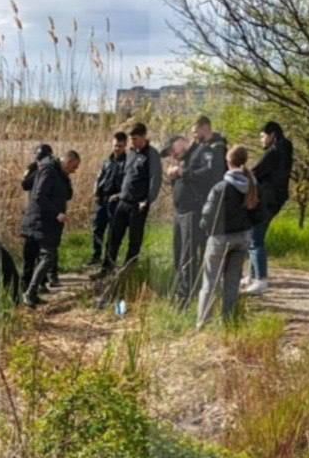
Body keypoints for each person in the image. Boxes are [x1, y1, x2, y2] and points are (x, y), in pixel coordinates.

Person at [196, 145, 265, 329]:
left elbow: (207, 216)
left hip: (220, 239)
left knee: (209, 283)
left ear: (228, 162)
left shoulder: (220, 187)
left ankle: (203, 324)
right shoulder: (252, 185)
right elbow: (259, 215)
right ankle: (228, 323)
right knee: (232, 284)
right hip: (242, 239)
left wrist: (205, 229)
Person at [164, 116, 228, 306]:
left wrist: (183, 172)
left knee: (188, 255)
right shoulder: (192, 152)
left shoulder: (211, 149)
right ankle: (181, 289)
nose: (193, 136)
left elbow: (210, 175)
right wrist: (175, 173)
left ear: (204, 128)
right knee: (179, 253)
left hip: (193, 210)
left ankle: (187, 295)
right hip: (180, 210)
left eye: (195, 132)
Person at [98, 123, 161, 275]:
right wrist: (119, 194)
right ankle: (106, 268)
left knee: (134, 241)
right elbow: (129, 177)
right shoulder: (131, 153)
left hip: (138, 205)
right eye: (131, 139)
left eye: (135, 139)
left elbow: (155, 181)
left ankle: (127, 272)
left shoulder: (152, 155)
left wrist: (147, 200)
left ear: (144, 136)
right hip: (123, 202)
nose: (131, 142)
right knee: (113, 236)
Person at [20, 150, 80, 308]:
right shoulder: (49, 170)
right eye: (74, 166)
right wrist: (57, 213)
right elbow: (39, 196)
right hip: (40, 221)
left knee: (45, 257)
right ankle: (29, 293)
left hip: (47, 223)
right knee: (48, 256)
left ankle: (33, 293)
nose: (75, 170)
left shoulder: (60, 173)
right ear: (68, 162)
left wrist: (66, 178)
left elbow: (67, 195)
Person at [242, 121, 294, 296]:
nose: (261, 140)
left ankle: (260, 280)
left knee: (256, 239)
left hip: (266, 201)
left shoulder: (274, 153)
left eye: (263, 136)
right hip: (273, 201)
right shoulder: (284, 150)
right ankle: (252, 276)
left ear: (272, 135)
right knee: (253, 237)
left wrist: (237, 173)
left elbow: (254, 172)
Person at [20, 143, 58, 289]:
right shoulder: (33, 168)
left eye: (42, 157)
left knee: (48, 250)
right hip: (34, 212)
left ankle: (49, 277)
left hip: (48, 214)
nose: (40, 160)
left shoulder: (53, 169)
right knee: (30, 252)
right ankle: (28, 283)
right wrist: (38, 169)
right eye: (38, 157)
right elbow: (24, 184)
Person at [88, 132, 128, 265]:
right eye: (115, 145)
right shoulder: (107, 161)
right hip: (102, 199)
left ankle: (108, 258)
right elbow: (99, 177)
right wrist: (95, 191)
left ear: (125, 145)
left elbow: (128, 184)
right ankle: (95, 255)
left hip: (116, 202)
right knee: (97, 228)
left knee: (112, 232)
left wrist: (119, 195)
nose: (117, 148)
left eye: (120, 146)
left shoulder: (127, 163)